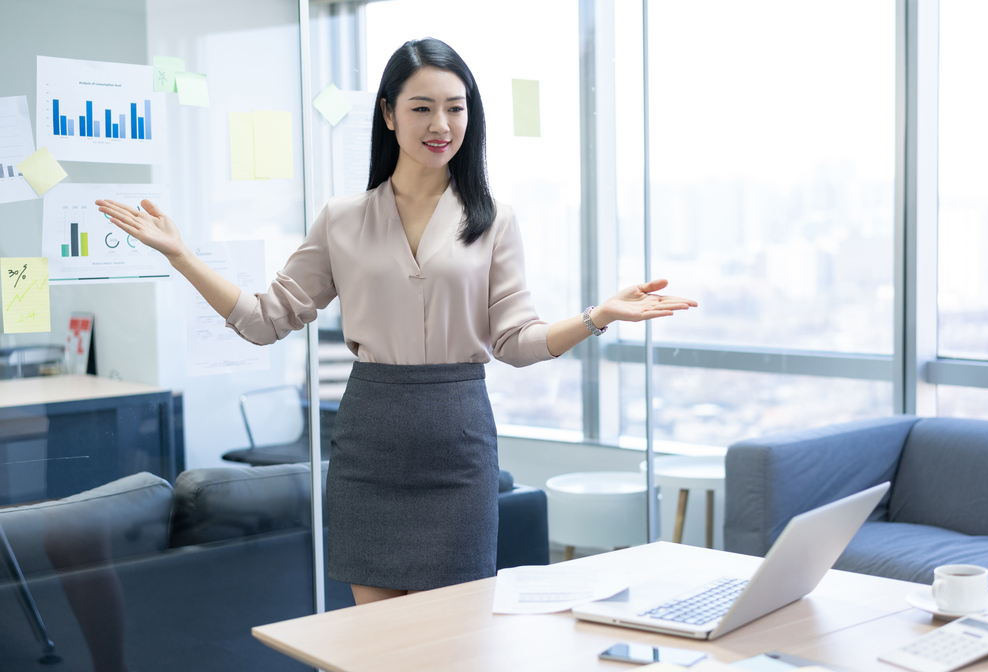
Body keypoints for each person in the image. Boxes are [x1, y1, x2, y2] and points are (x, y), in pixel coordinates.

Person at [96, 38, 696, 606]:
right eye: (423, 108)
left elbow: (516, 343)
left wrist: (597, 316)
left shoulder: (495, 220)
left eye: (456, 108)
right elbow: (262, 320)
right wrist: (181, 255)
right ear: (388, 115)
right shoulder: (342, 219)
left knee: (448, 647)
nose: (441, 125)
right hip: (370, 448)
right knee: (378, 651)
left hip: (458, 445)